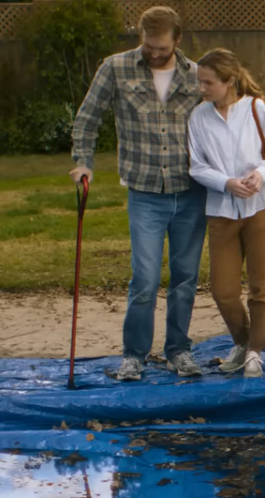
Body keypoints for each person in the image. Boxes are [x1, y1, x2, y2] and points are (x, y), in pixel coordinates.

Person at [70, 6, 207, 382]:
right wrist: (83, 162)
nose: (154, 53)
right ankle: (134, 356)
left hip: (191, 193)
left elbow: (220, 122)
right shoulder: (115, 68)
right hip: (145, 193)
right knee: (144, 280)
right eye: (148, 45)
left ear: (177, 41)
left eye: (162, 48)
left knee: (184, 278)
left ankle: (179, 351)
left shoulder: (195, 75)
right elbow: (87, 118)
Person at [187, 49, 265, 378]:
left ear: (229, 82)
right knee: (223, 291)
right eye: (200, 82)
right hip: (221, 212)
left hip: (261, 210)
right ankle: (244, 342)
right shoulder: (198, 117)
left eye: (208, 82)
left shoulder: (256, 108)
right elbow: (197, 167)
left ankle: (256, 353)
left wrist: (260, 173)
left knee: (260, 288)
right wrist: (226, 182)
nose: (201, 88)